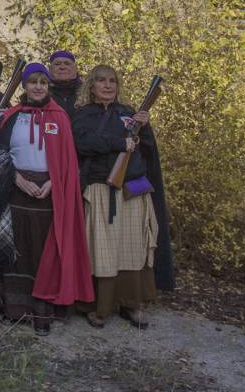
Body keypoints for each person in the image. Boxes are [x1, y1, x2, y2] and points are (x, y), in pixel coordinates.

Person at [0, 63, 93, 335]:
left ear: (48, 86)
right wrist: (18, 180)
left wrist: (54, 183)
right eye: (33, 82)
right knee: (15, 247)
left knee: (46, 250)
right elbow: (1, 153)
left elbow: (67, 159)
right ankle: (15, 308)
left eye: (43, 82)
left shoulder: (60, 117)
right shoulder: (11, 116)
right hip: (16, 189)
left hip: (49, 193)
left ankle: (43, 309)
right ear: (24, 85)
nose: (38, 87)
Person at [71, 64, 174, 329]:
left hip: (131, 189)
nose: (108, 85)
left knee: (133, 247)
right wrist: (118, 142)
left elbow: (147, 150)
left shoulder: (129, 113)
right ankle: (98, 306)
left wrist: (145, 128)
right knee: (101, 250)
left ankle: (132, 303)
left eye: (112, 81)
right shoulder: (82, 115)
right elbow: (82, 144)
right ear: (91, 86)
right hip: (99, 188)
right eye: (101, 81)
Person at [48, 50, 83, 118]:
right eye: (57, 64)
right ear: (50, 69)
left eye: (67, 64)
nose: (62, 67)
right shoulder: (42, 93)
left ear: (75, 68)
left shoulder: (87, 92)